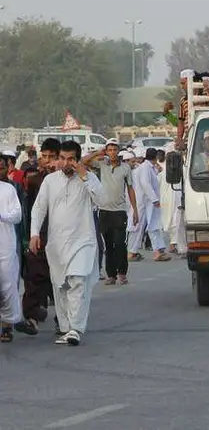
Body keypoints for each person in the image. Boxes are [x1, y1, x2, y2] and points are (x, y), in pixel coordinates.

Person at [29, 140, 108, 346]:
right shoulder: (50, 181)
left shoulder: (88, 178)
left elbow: (102, 200)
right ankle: (66, 327)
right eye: (62, 158)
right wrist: (34, 234)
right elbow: (39, 208)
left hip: (83, 240)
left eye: (70, 159)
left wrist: (84, 175)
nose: (65, 163)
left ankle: (75, 328)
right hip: (56, 244)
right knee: (61, 286)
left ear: (78, 159)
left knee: (78, 281)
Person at [82, 140, 139, 285]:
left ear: (118, 151)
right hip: (104, 210)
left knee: (120, 243)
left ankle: (122, 273)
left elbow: (130, 189)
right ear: (106, 151)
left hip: (119, 211)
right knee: (108, 244)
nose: (112, 152)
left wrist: (135, 210)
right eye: (110, 150)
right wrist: (98, 152)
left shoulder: (126, 168)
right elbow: (82, 162)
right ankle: (111, 275)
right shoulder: (101, 165)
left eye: (115, 149)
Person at [20, 137, 61, 334]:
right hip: (40, 235)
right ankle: (31, 317)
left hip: (63, 236)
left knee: (61, 280)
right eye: (44, 157)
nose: (46, 160)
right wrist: (30, 235)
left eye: (51, 157)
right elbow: (30, 210)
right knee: (34, 275)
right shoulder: (34, 179)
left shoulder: (68, 178)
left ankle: (64, 319)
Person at [0, 158, 24, 342]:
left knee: (7, 285)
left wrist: (2, 216)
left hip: (5, 246)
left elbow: (17, 215)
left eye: (2, 166)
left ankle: (8, 325)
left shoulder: (8, 190)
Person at [133, 148, 170, 262]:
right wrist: (154, 199)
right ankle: (157, 252)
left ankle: (157, 250)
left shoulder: (148, 167)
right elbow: (145, 184)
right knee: (153, 226)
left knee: (149, 226)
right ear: (156, 157)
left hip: (147, 201)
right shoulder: (145, 168)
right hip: (148, 202)